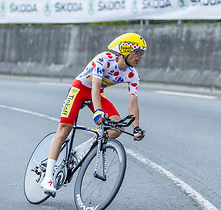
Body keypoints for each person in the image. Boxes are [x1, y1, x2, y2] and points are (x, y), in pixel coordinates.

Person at [40, 32, 147, 195]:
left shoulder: (132, 74)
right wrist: (97, 111)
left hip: (97, 94)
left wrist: (137, 127)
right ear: (124, 50)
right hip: (80, 89)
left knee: (116, 127)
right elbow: (95, 86)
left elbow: (133, 103)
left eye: (142, 53)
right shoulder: (104, 59)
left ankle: (90, 144)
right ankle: (47, 177)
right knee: (64, 129)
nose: (140, 56)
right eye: (137, 52)